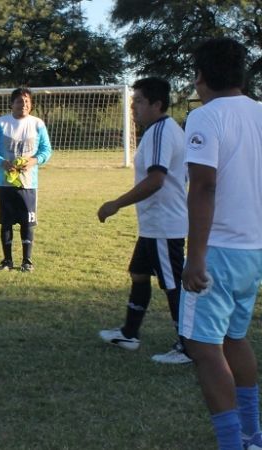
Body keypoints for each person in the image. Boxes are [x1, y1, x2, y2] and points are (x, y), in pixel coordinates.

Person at [178, 38, 262, 450]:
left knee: (201, 345)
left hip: (219, 250)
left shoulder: (205, 117)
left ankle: (233, 443)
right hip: (253, 248)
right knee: (235, 336)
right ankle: (253, 434)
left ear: (202, 76)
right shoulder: (260, 114)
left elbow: (204, 185)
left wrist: (196, 258)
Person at [97, 77, 190, 364]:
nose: (133, 106)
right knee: (138, 272)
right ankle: (129, 333)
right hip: (153, 224)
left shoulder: (162, 131)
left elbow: (156, 180)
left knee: (173, 284)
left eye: (138, 100)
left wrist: (116, 204)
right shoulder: (156, 131)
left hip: (164, 224)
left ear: (156, 104)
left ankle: (187, 347)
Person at [0, 87, 53, 272]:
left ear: (31, 105)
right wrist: (1, 162)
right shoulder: (1, 123)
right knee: (6, 222)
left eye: (27, 102)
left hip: (28, 183)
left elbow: (47, 150)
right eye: (19, 101)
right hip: (5, 183)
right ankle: (7, 261)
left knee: (27, 222)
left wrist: (34, 161)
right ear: (12, 103)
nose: (23, 105)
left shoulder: (37, 124)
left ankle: (27, 261)